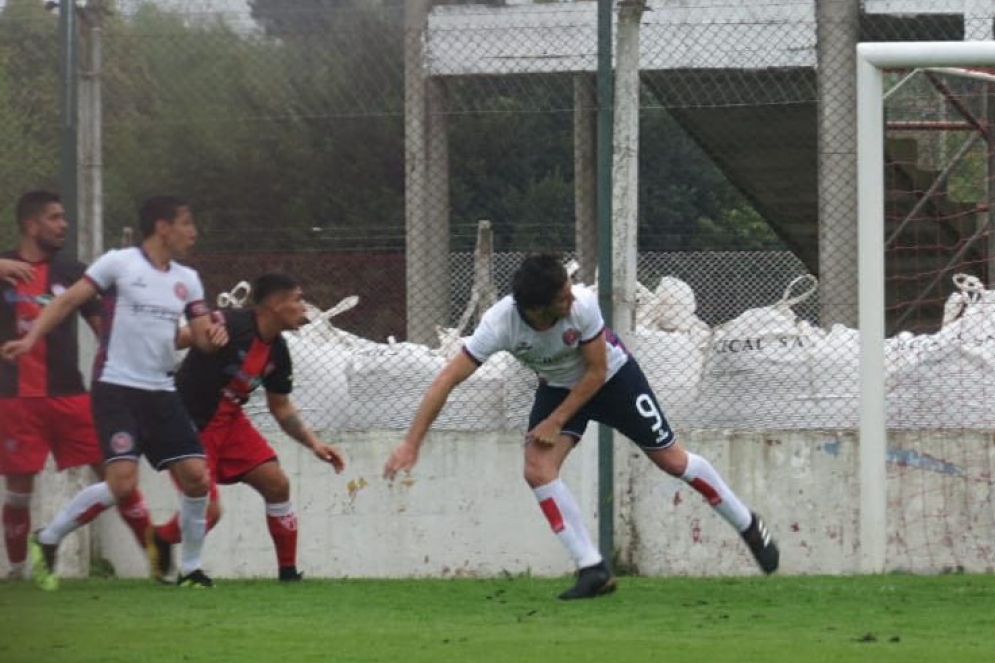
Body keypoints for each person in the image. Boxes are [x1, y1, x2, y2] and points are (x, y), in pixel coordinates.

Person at [383, 253, 779, 600]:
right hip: (558, 388)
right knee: (537, 470)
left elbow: (596, 371)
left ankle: (748, 524)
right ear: (537, 309)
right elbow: (445, 382)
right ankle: (592, 569)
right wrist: (411, 444)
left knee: (672, 462)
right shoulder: (499, 324)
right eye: (561, 297)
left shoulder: (583, 305)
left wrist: (556, 421)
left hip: (614, 380)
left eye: (569, 289)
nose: (572, 297)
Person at [1, 195, 227, 589]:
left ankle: (191, 570)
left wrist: (213, 337)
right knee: (121, 483)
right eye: (187, 223)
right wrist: (30, 337)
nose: (193, 233)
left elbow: (201, 337)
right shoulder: (118, 263)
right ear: (162, 227)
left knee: (196, 477)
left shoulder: (187, 279)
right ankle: (48, 539)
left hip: (161, 389)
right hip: (117, 389)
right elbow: (67, 301)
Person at [147, 272, 346, 583]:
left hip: (231, 424)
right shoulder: (228, 322)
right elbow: (178, 338)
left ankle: (288, 574)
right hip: (189, 424)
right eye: (297, 300)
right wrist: (201, 338)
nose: (304, 308)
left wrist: (314, 444)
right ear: (275, 304)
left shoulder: (278, 351)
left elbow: (280, 407)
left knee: (277, 483)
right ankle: (161, 537)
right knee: (210, 512)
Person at [0, 191, 152, 582]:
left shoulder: (71, 271)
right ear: (31, 225)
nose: (63, 224)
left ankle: (156, 559)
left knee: (115, 471)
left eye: (64, 217)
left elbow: (103, 326)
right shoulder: (4, 268)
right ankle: (19, 572)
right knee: (19, 486)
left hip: (70, 394)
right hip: (15, 397)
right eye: (54, 218)